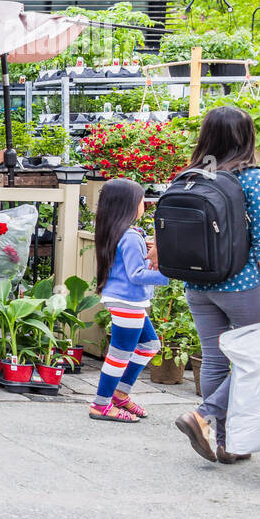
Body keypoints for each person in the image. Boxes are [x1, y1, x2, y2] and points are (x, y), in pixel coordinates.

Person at [174, 106, 260, 463]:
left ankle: (220, 442)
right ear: (247, 136)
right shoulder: (252, 178)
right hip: (242, 284)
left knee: (214, 358)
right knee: (251, 359)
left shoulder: (190, 175)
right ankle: (204, 415)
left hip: (198, 283)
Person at [89, 178, 169, 423]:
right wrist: (168, 272)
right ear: (130, 205)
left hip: (124, 300)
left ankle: (120, 394)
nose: (144, 204)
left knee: (149, 346)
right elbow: (136, 275)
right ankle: (101, 404)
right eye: (142, 200)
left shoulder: (118, 232)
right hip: (128, 302)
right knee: (120, 355)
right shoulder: (131, 236)